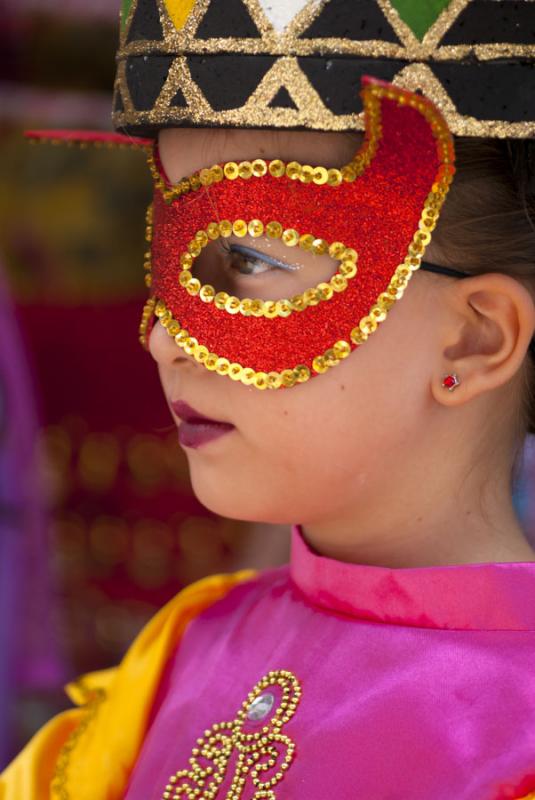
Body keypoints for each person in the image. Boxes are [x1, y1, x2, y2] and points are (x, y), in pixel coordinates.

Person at [3, 0, 535, 797]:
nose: (162, 338)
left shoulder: (513, 739)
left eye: (245, 259)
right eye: (164, 256)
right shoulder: (178, 653)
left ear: (475, 339)